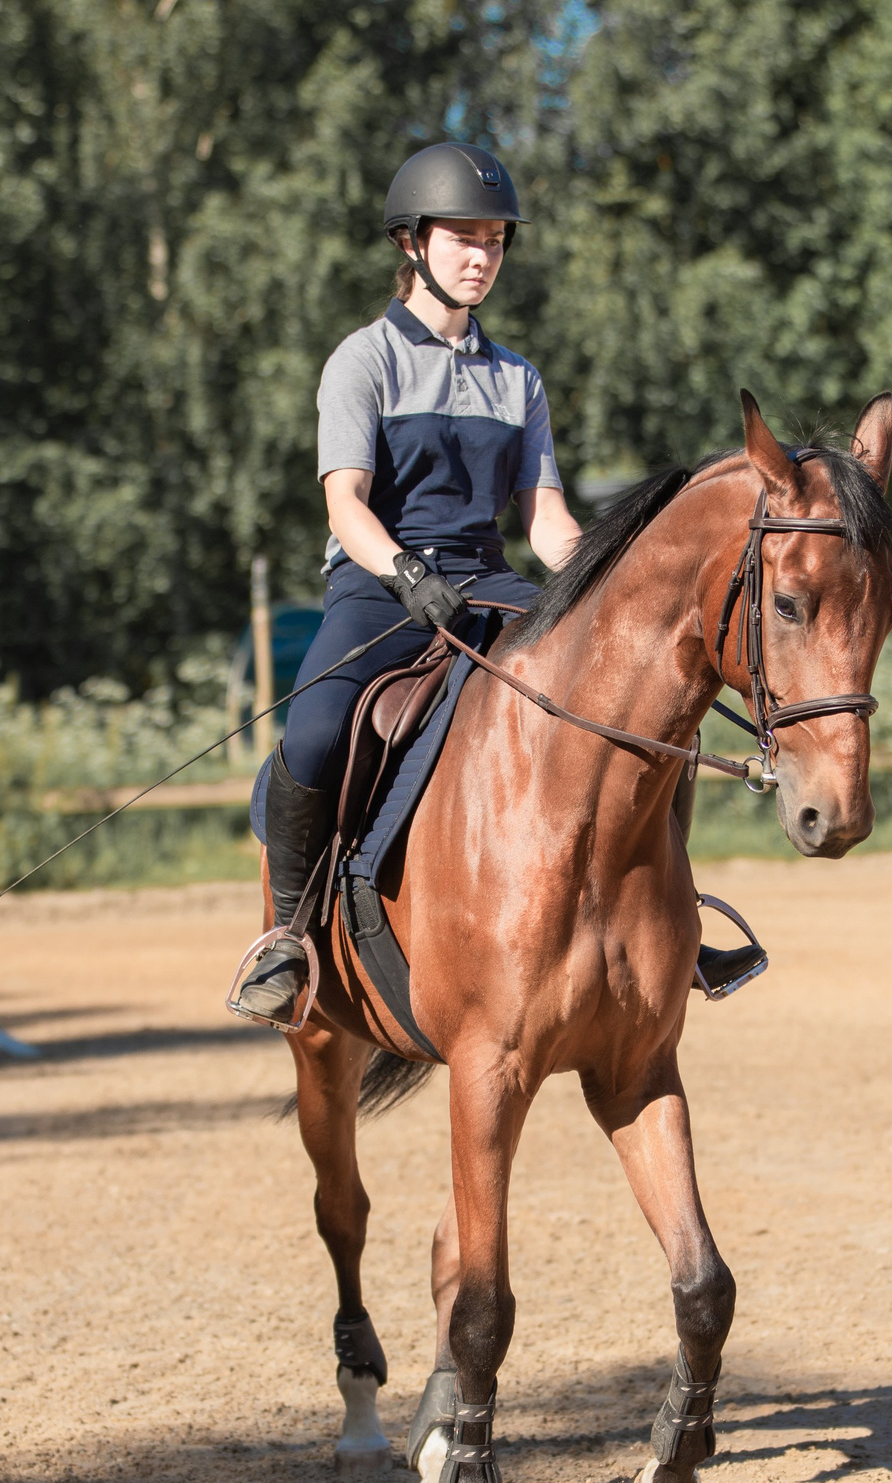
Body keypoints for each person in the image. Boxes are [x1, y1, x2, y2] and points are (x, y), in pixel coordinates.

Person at [230, 142, 579, 1026]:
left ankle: (661, 917)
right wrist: (405, 571)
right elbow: (344, 504)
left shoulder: (519, 378)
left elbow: (545, 522)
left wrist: (607, 587)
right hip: (380, 587)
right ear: (414, 243)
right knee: (311, 732)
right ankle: (287, 937)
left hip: (492, 586)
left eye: (496, 240)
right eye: (465, 237)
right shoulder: (364, 360)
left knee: (612, 697)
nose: (482, 257)